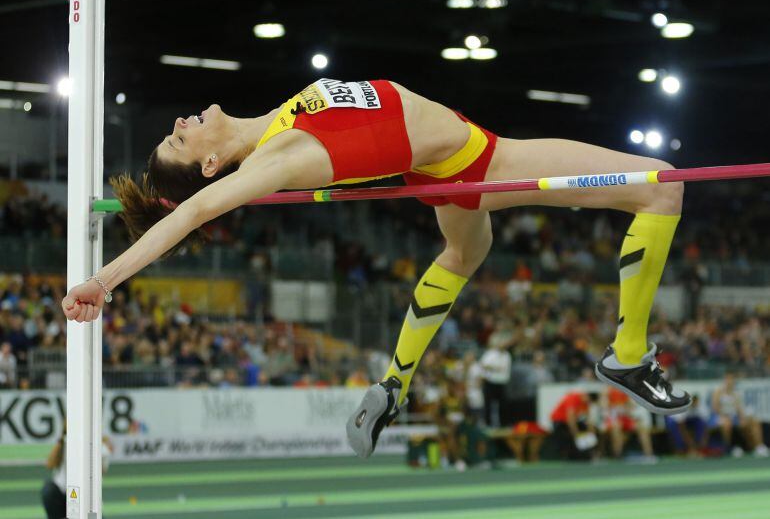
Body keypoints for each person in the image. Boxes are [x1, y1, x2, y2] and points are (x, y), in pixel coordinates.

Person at [60, 78, 689, 459]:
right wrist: (104, 280)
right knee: (662, 186)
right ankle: (628, 353)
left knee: (466, 254)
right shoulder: (276, 158)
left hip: (442, 168)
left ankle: (393, 385)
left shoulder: (280, 122)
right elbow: (192, 215)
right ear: (207, 167)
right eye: (178, 140)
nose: (178, 123)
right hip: (484, 161)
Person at [42, 423, 112, 519]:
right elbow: (49, 464)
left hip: (87, 495)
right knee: (48, 490)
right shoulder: (64, 443)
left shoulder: (100, 447)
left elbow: (101, 472)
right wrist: (61, 441)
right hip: (61, 493)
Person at [710, 373, 769, 457]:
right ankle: (729, 448)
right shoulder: (718, 392)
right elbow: (715, 408)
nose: (730, 382)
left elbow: (739, 409)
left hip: (734, 417)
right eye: (728, 379)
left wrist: (742, 418)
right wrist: (725, 416)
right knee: (727, 424)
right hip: (720, 417)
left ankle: (758, 446)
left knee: (753, 421)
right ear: (725, 380)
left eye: (731, 380)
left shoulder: (736, 394)